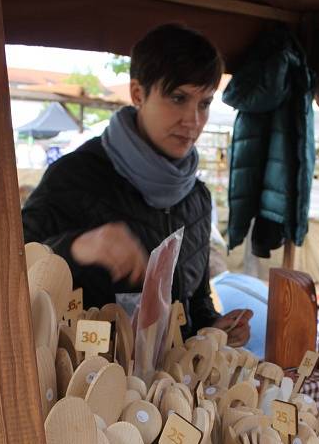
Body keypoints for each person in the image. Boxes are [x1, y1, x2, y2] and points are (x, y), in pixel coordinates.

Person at [22, 23, 252, 346]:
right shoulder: (75, 175)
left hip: (173, 390)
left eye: (204, 103)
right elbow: (12, 267)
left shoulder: (197, 198)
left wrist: (216, 326)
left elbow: (194, 304)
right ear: (137, 94)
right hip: (88, 384)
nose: (193, 120)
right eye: (178, 97)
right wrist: (77, 247)